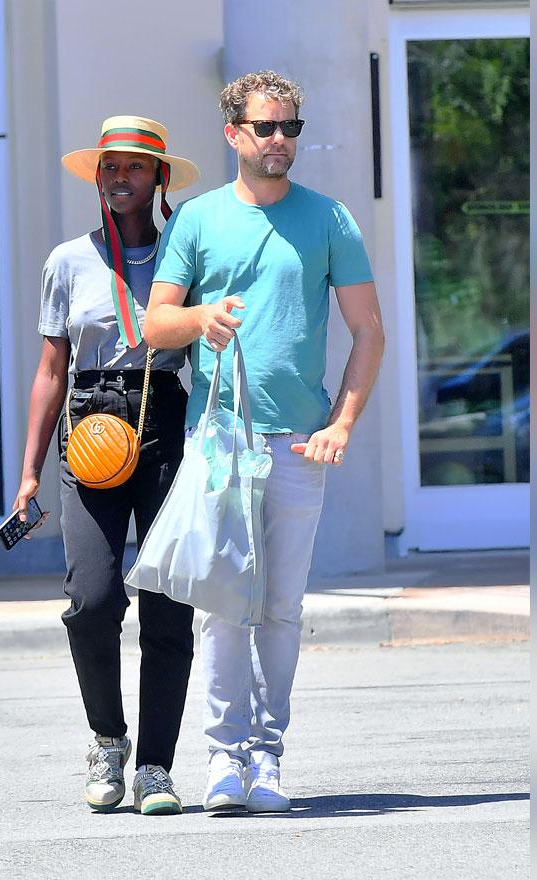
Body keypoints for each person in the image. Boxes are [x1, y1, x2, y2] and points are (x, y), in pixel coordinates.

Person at [143, 71, 385, 813]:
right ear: (233, 134)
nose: (280, 142)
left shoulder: (330, 219)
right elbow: (155, 325)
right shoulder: (199, 220)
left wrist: (341, 424)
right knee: (222, 605)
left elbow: (368, 332)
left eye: (289, 129)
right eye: (266, 128)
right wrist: (201, 317)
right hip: (217, 440)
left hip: (297, 443)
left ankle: (267, 758)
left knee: (279, 607)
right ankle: (222, 760)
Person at [13, 116, 201, 816]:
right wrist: (30, 472)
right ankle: (107, 739)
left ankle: (156, 765)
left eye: (135, 167)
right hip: (88, 431)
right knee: (92, 600)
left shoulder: (188, 258)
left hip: (165, 428)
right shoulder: (68, 261)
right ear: (98, 178)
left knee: (167, 605)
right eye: (109, 167)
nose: (120, 178)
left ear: (158, 180)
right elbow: (50, 370)